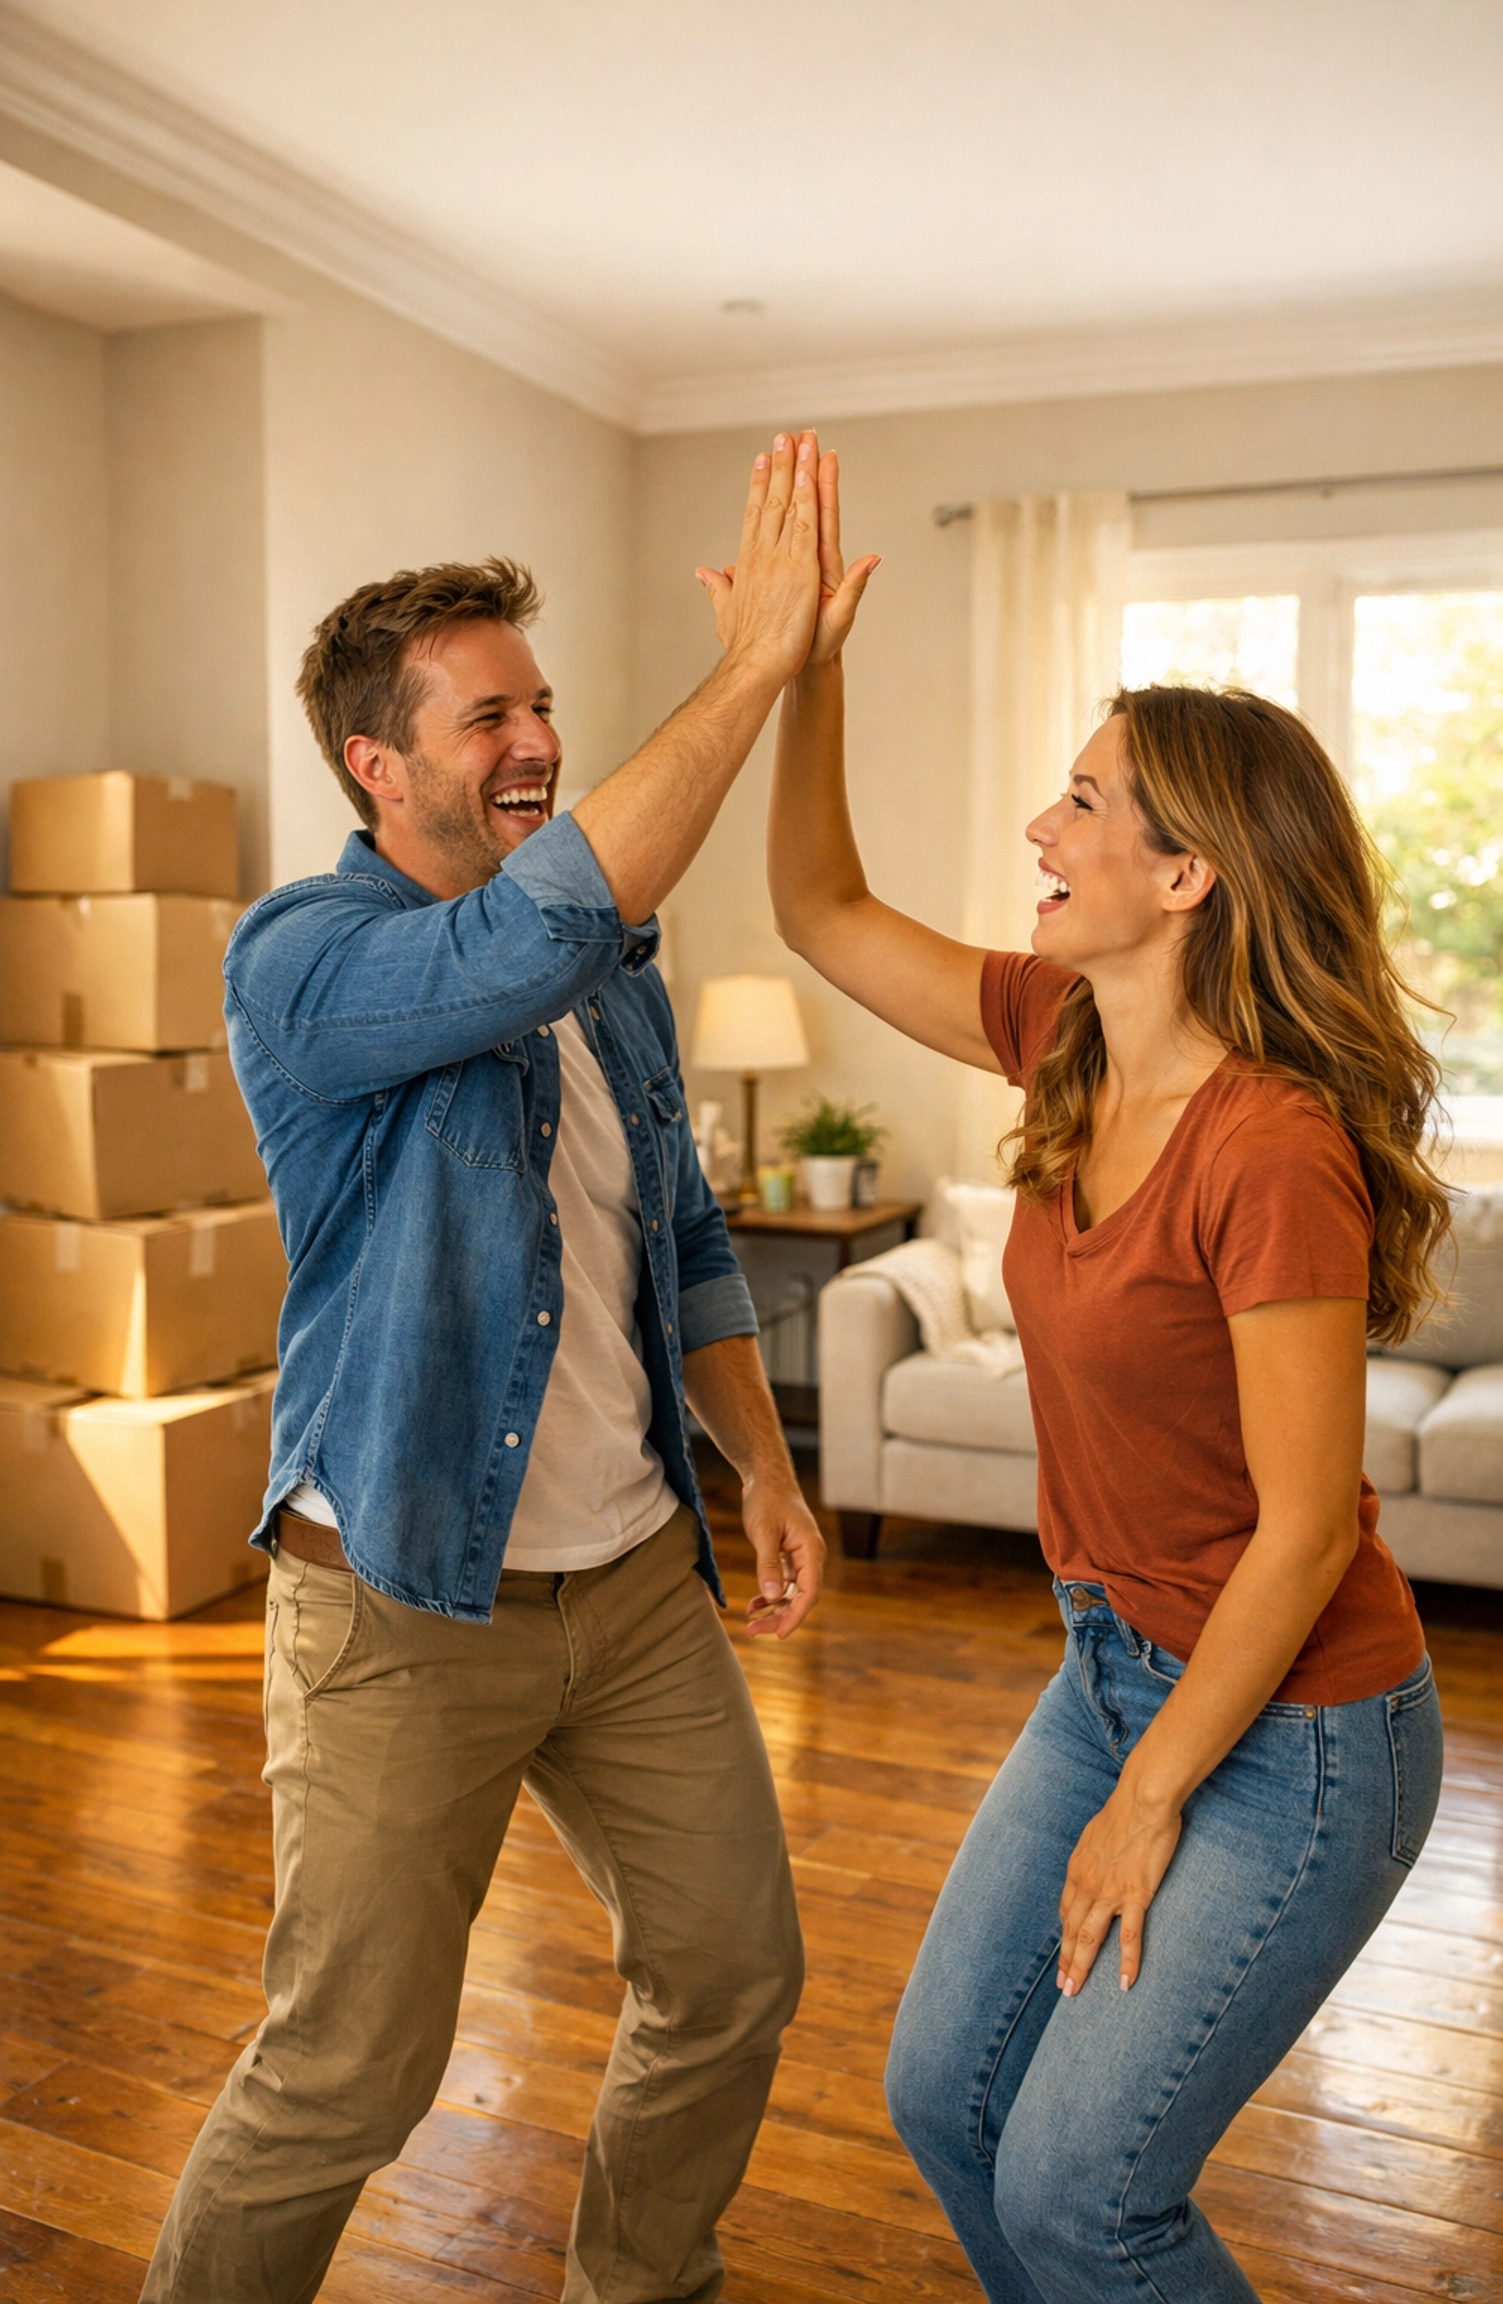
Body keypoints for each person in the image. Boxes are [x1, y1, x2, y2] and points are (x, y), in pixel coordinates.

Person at [716, 457, 1447, 2304]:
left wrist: (1150, 1800)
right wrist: (806, 666)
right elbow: (818, 904)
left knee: (1080, 2198)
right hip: (1111, 1665)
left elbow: (1304, 1536)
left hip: (1300, 1730)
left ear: (1185, 875)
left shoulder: (1271, 1148)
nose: (1042, 824)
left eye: (1084, 800)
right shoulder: (1060, 1039)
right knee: (945, 2104)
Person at [143, 434, 835, 2304]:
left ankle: (642, 2284)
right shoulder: (303, 957)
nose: (535, 741)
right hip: (402, 1602)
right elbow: (524, 942)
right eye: (488, 718)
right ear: (376, 762)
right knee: (348, 2077)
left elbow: (680, 1232)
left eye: (541, 704)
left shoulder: (613, 969)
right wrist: (755, 669)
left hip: (634, 1582)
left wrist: (764, 1467)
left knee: (734, 1973)